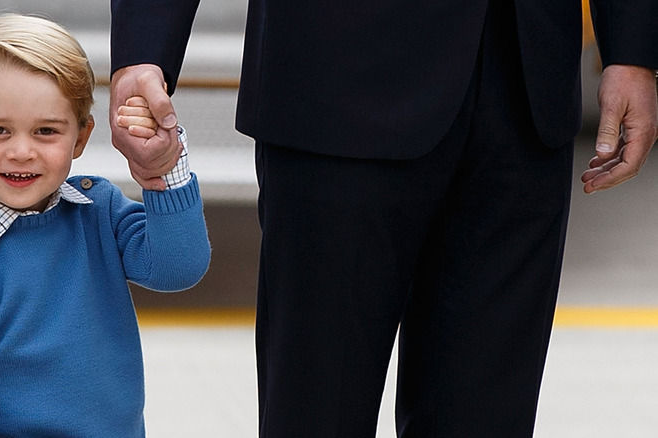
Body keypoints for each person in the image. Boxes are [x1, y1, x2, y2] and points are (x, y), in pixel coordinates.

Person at [109, 0, 658, 436]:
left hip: (524, 80)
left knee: (487, 413)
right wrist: (145, 47)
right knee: (320, 407)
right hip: (335, 80)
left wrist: (631, 48)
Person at [0, 13, 210, 437]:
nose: (21, 151)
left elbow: (179, 267)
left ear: (81, 137)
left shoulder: (98, 209)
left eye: (46, 131)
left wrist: (167, 169)